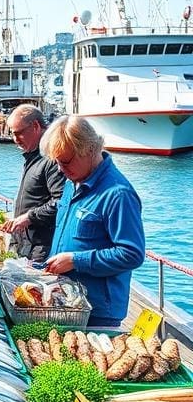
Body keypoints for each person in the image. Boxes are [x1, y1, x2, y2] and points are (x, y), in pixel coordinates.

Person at [40, 115, 145, 328]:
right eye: (57, 162)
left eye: (66, 161)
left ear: (89, 150)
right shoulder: (72, 183)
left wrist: (76, 260)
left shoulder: (118, 194)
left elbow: (132, 254)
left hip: (97, 313)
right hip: (66, 300)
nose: (61, 169)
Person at [1, 104, 66, 261]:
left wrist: (29, 217)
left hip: (40, 247)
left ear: (35, 126)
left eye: (19, 133)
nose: (15, 139)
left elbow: (61, 201)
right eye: (12, 134)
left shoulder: (50, 158)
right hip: (25, 243)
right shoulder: (32, 156)